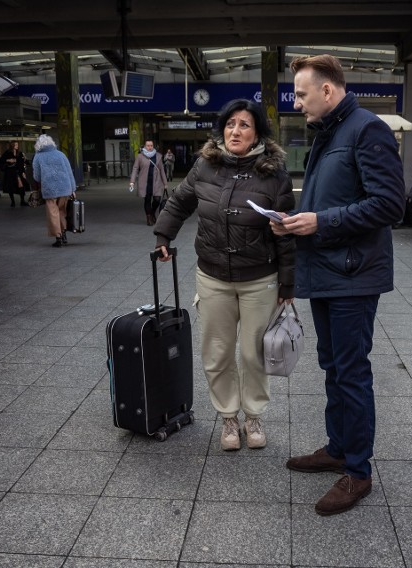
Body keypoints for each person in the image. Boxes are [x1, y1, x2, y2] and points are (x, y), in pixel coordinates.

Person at [271, 54, 405, 516]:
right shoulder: (330, 132)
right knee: (333, 366)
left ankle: (359, 471)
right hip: (328, 270)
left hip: (352, 274)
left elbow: (390, 205)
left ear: (327, 91)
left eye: (302, 95)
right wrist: (293, 223)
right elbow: (332, 198)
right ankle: (337, 448)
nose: (298, 103)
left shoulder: (367, 130)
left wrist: (320, 221)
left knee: (351, 371)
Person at [153, 99, 295, 451]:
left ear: (258, 133)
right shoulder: (205, 165)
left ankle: (254, 415)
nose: (235, 131)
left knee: (253, 354)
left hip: (259, 279)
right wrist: (163, 236)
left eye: (244, 125)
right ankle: (229, 419)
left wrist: (289, 283)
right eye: (230, 124)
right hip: (213, 277)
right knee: (216, 353)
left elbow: (287, 230)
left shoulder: (274, 173)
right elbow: (180, 201)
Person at [32, 135, 76, 248]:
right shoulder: (61, 154)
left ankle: (58, 237)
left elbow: (36, 176)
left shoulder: (38, 157)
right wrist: (73, 189)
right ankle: (64, 234)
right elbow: (69, 172)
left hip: (49, 189)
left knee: (53, 213)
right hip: (65, 187)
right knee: (62, 211)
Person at [130, 140, 168, 225]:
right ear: (144, 146)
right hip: (144, 182)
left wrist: (165, 183)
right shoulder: (140, 156)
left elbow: (162, 170)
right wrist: (132, 181)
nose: (150, 147)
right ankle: (149, 218)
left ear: (153, 146)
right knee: (147, 200)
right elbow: (135, 168)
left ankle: (152, 213)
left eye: (151, 145)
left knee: (157, 199)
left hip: (156, 182)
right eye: (148, 145)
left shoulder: (158, 156)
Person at [394, 162, 412, 228]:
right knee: (405, 203)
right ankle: (410, 221)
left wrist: (411, 197)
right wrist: (409, 196)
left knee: (407, 205)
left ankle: (401, 222)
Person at [1, 141, 28, 207]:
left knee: (21, 186)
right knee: (11, 187)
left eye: (17, 144)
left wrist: (23, 172)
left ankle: (22, 200)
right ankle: (12, 201)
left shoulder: (20, 153)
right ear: (12, 145)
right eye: (15, 144)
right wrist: (8, 160)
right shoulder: (7, 153)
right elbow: (1, 160)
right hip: (10, 172)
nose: (17, 145)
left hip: (18, 171)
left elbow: (22, 163)